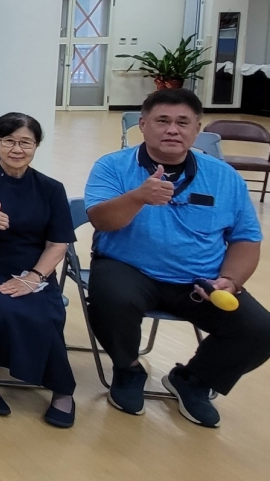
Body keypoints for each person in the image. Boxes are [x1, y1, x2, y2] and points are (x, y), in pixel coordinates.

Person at [84, 88, 270, 428]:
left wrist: (229, 280)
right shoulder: (113, 166)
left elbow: (245, 238)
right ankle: (128, 370)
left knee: (260, 329)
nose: (172, 130)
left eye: (183, 122)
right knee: (110, 297)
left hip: (200, 279)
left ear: (197, 129)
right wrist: (138, 197)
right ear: (143, 125)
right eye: (162, 121)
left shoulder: (224, 176)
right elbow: (101, 220)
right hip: (129, 268)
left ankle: (194, 380)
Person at [0, 112, 77, 427]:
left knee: (48, 313)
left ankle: (62, 388)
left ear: (36, 146)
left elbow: (58, 243)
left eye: (26, 142)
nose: (17, 149)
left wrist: (33, 278)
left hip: (33, 269)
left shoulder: (51, 188)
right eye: (9, 141)